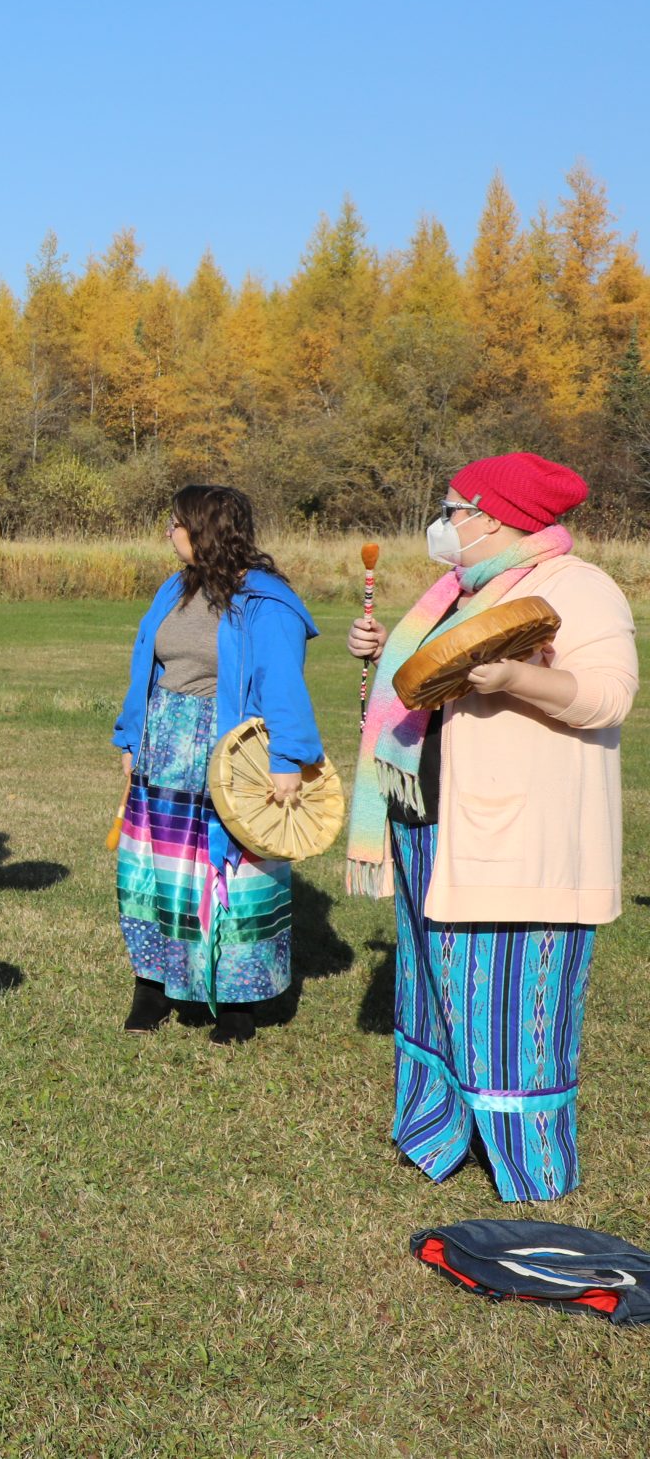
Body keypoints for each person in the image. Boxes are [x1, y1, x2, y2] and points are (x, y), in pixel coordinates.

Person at [345, 453, 634, 1202]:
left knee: (507, 996)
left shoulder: (577, 587)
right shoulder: (459, 589)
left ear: (497, 516)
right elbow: (433, 680)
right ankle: (439, 1130)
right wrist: (392, 652)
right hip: (429, 816)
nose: (444, 523)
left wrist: (514, 678)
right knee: (437, 987)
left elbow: (609, 696)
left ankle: (529, 1160)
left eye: (454, 510)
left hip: (514, 831)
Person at [110, 484, 322, 1043]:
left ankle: (236, 1003)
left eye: (177, 522)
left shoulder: (266, 602)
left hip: (229, 754)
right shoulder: (175, 589)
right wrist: (132, 740)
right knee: (158, 870)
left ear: (205, 530)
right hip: (164, 748)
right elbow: (145, 666)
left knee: (232, 873)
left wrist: (286, 759)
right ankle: (152, 986)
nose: (169, 531)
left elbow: (283, 684)